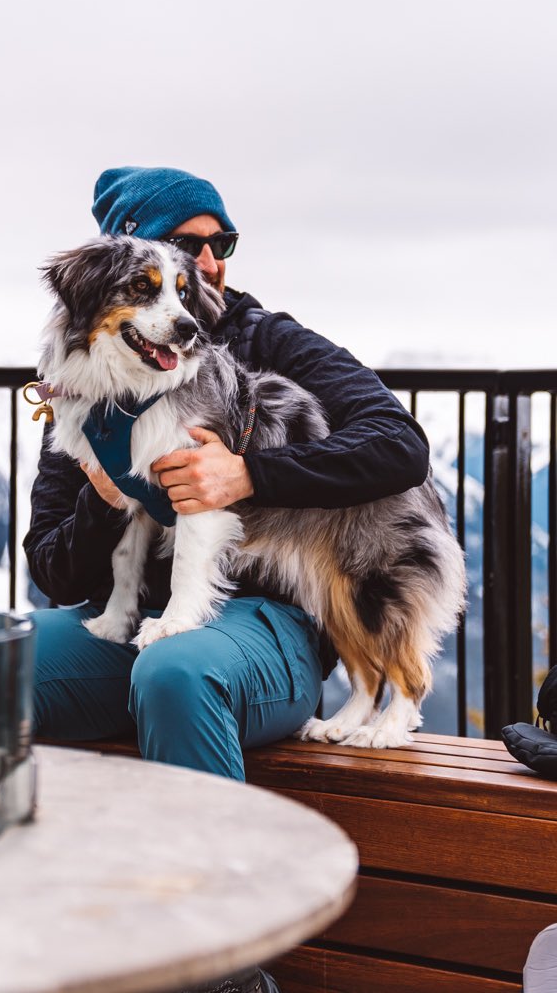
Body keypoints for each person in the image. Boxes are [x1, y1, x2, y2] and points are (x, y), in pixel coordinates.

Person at [24, 166, 431, 780]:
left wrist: (249, 474)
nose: (210, 264)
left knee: (176, 674)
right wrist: (105, 500)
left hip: (265, 620)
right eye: (187, 243)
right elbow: (51, 569)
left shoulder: (271, 340)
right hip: (129, 624)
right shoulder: (83, 382)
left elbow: (399, 445)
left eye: (223, 244)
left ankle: (212, 843)